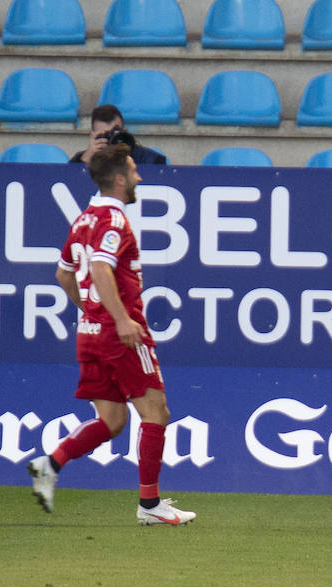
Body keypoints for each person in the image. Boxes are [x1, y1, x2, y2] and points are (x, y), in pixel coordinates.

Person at [27, 144, 195, 526]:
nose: (138, 177)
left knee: (113, 420)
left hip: (90, 334)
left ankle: (49, 465)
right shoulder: (115, 221)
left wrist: (92, 314)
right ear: (119, 179)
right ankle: (150, 506)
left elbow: (64, 275)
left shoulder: (84, 219)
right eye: (134, 171)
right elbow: (101, 269)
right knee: (156, 412)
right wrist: (117, 319)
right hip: (119, 336)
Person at [68, 104, 167, 166]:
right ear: (92, 135)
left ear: (125, 131)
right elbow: (70, 181)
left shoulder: (150, 160)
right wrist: (85, 161)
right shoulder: (81, 159)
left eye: (115, 133)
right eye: (105, 135)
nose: (111, 139)